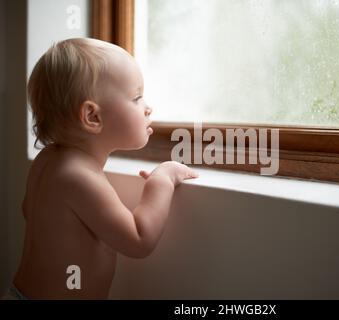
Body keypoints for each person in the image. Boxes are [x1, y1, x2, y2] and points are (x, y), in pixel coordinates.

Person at [6, 38, 198, 299]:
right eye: (137, 98)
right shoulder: (78, 176)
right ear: (92, 117)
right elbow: (138, 239)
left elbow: (29, 210)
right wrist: (161, 180)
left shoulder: (48, 162)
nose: (148, 107)